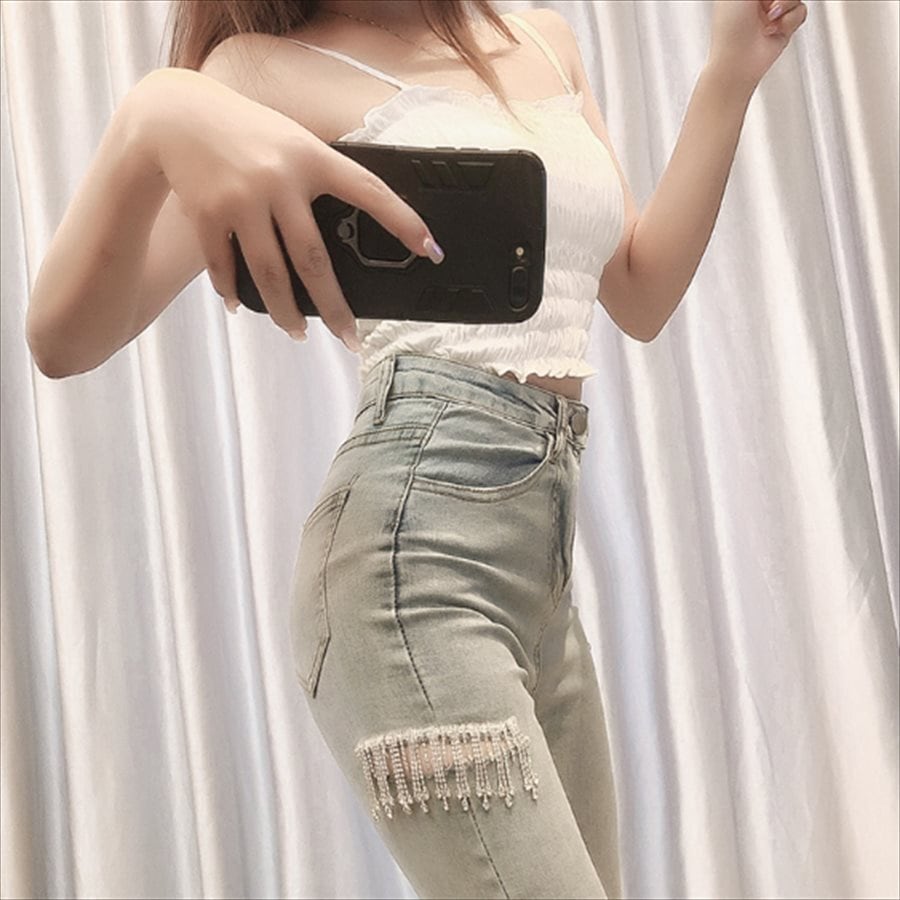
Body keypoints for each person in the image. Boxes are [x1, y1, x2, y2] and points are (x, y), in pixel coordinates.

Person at [25, 1, 808, 896]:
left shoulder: (542, 39)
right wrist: (150, 115)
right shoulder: (255, 73)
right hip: (410, 566)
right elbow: (63, 339)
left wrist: (731, 71)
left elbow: (640, 290)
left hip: (540, 571)